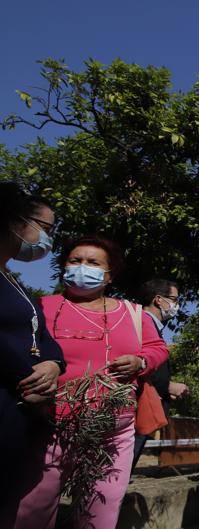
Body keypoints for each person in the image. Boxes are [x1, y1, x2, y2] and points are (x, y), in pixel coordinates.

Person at [16, 235, 169, 529]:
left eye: (92, 263)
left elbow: (158, 348)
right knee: (32, 509)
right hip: (50, 428)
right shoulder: (39, 308)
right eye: (75, 261)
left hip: (112, 432)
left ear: (109, 274)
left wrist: (141, 362)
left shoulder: (133, 313)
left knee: (100, 512)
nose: (82, 267)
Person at [0, 184, 65, 524]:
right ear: (14, 220)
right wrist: (29, 381)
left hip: (18, 412)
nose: (47, 239)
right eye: (46, 228)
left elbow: (40, 332)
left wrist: (54, 363)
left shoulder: (12, 280)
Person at [130, 278, 190, 473]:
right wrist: (166, 386)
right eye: (174, 299)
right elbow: (141, 364)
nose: (176, 305)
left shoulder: (153, 325)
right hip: (137, 409)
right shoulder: (142, 322)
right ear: (158, 299)